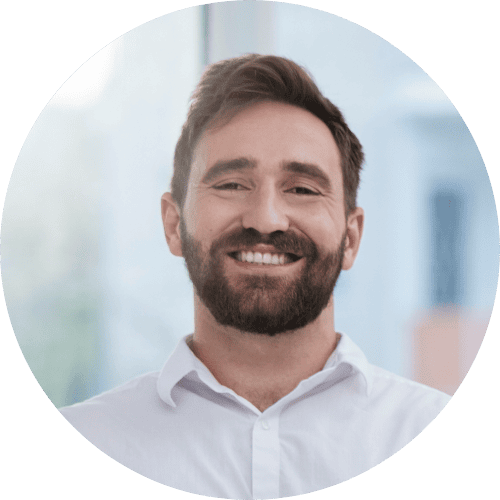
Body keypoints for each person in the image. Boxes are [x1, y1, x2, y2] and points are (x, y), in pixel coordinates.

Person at [59, 54, 451, 497]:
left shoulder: (420, 425)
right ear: (174, 224)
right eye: (231, 185)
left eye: (302, 189)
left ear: (351, 238)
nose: (266, 219)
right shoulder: (93, 435)